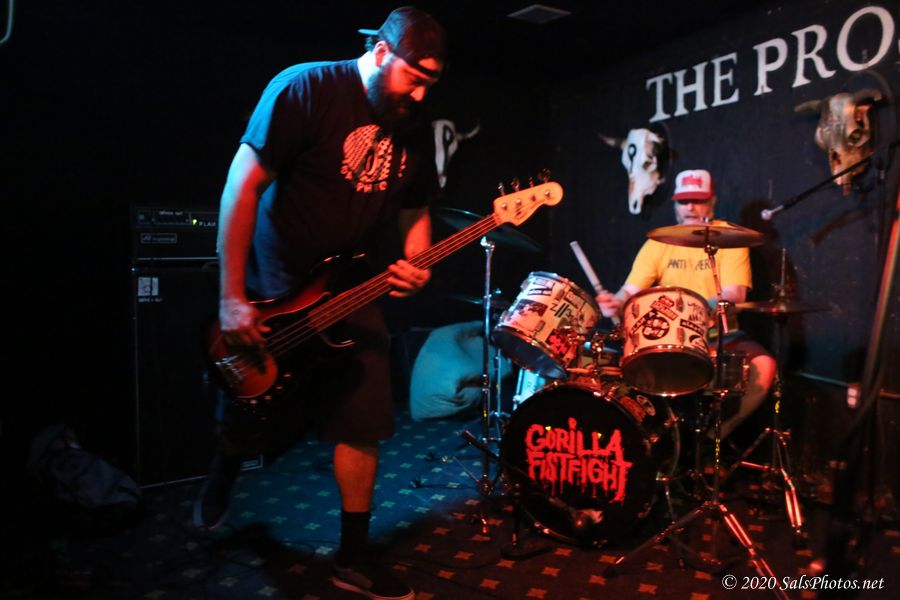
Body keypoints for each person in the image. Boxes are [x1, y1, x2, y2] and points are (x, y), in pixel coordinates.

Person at [193, 7, 446, 600]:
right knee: (252, 411)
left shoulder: (411, 123)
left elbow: (416, 210)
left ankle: (352, 558)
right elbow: (242, 186)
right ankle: (225, 465)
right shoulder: (305, 88)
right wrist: (232, 297)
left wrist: (419, 262)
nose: (420, 94)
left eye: (431, 83)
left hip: (351, 287)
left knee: (364, 419)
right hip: (276, 284)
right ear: (381, 53)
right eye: (415, 78)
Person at [596, 169, 776, 439]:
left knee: (765, 366)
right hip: (666, 338)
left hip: (719, 337)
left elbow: (734, 294)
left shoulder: (730, 239)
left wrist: (696, 311)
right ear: (675, 205)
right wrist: (615, 302)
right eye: (683, 201)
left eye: (697, 200)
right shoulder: (659, 242)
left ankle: (715, 437)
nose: (690, 207)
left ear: (712, 201)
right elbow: (629, 292)